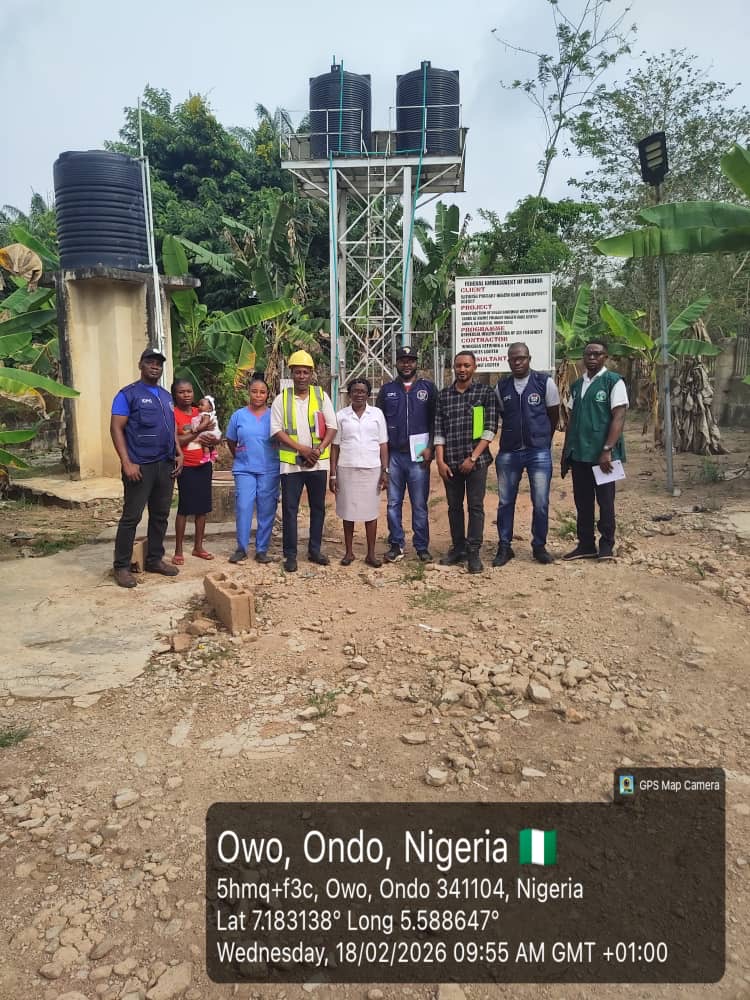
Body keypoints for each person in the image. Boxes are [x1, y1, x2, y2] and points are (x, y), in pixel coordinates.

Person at [110, 348, 183, 588]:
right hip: (140, 465)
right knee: (132, 516)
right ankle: (121, 567)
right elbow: (116, 428)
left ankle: (154, 559)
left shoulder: (166, 396)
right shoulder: (127, 394)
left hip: (165, 464)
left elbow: (171, 427)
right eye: (150, 362)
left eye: (158, 364)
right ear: (140, 365)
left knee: (160, 515)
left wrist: (179, 452)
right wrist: (126, 462)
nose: (155, 366)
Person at [493, 342, 560, 567]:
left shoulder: (544, 382)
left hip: (538, 452)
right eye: (513, 359)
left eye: (521, 358)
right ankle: (504, 546)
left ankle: (539, 546)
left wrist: (543, 439)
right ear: (508, 361)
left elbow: (553, 415)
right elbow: (502, 414)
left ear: (529, 359)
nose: (517, 362)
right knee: (505, 501)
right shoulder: (501, 387)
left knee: (540, 502)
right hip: (509, 452)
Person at [561, 338, 628, 561]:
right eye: (588, 354)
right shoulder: (577, 385)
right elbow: (571, 420)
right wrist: (566, 453)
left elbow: (619, 417)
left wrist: (607, 449)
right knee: (583, 502)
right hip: (579, 453)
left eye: (597, 354)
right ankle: (586, 544)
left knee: (606, 502)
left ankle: (606, 545)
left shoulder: (613, 382)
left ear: (605, 357)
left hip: (603, 456)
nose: (591, 358)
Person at [270, 350, 337, 573]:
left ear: (311, 374)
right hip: (291, 465)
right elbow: (276, 430)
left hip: (318, 463)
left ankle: (314, 550)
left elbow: (332, 427)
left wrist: (318, 450)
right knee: (290, 510)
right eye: (297, 372)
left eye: (305, 372)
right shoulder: (281, 399)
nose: (301, 376)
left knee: (318, 508)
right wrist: (302, 449)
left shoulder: (321, 396)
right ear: (291, 373)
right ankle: (290, 555)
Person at [434, 351, 499, 574]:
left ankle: (473, 552)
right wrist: (440, 461)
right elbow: (439, 430)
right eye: (458, 365)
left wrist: (472, 458)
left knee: (475, 506)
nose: (462, 369)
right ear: (453, 367)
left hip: (476, 462)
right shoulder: (444, 396)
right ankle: (458, 548)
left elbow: (490, 429)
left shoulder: (485, 393)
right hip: (450, 462)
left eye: (466, 365)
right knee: (454, 507)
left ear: (474, 367)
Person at [375, 344, 437, 563]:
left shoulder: (428, 388)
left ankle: (421, 546)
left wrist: (430, 447)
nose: (406, 364)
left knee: (419, 503)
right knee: (393, 503)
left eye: (410, 360)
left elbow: (435, 421)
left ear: (416, 363)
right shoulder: (387, 390)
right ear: (397, 364)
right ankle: (396, 544)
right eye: (403, 361)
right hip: (394, 455)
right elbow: (379, 424)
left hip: (419, 455)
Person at [330, 378, 389, 567]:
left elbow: (383, 444)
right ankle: (349, 553)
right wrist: (333, 474)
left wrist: (385, 470)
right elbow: (335, 446)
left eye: (363, 391)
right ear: (349, 394)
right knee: (348, 512)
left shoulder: (377, 414)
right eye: (355, 391)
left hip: (372, 469)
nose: (359, 394)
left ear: (368, 394)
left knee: (370, 513)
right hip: (347, 469)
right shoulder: (341, 416)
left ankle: (371, 554)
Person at [225, 374, 280, 564]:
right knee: (244, 507)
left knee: (267, 509)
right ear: (248, 393)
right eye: (254, 391)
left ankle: (262, 550)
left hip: (269, 469)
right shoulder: (238, 415)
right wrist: (240, 455)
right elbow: (231, 440)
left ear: (267, 395)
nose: (258, 395)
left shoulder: (274, 415)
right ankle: (241, 548)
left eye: (262, 392)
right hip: (244, 469)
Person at [171, 378, 217, 564]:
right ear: (175, 395)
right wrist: (198, 432)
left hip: (204, 465)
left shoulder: (201, 411)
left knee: (202, 508)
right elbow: (177, 441)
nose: (186, 395)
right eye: (181, 392)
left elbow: (214, 433)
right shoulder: (173, 414)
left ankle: (198, 547)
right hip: (186, 466)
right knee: (184, 508)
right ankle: (178, 550)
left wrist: (212, 439)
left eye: (189, 391)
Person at [192, 395, 221, 464]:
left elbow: (205, 423)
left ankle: (206, 456)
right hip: (212, 432)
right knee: (209, 444)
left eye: (202, 405)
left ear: (209, 408)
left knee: (204, 444)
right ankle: (214, 454)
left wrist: (197, 429)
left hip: (209, 432)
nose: (199, 406)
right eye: (199, 404)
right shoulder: (205, 414)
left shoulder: (206, 414)